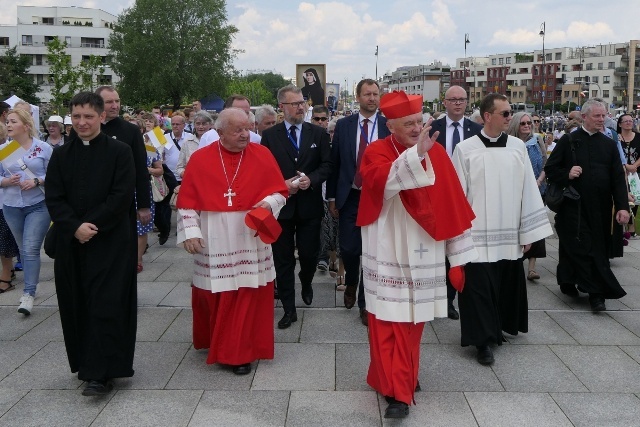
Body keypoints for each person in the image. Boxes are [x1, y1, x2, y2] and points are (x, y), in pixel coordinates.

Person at [356, 91, 478, 419]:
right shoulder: (376, 150)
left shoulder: (436, 152)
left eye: (418, 121)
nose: (416, 127)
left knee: (412, 323)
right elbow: (381, 182)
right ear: (390, 126)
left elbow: (451, 205)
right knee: (385, 320)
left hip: (423, 250)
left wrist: (458, 258)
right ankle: (397, 393)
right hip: (387, 246)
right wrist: (415, 156)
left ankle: (402, 378)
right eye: (407, 123)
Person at [176, 108, 288, 375]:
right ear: (220, 132)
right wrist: (191, 231)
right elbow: (187, 201)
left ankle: (239, 351)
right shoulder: (201, 158)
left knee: (248, 291)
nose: (244, 134)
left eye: (247, 128)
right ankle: (218, 341)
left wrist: (268, 203)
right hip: (215, 234)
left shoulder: (261, 154)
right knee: (219, 291)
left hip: (250, 235)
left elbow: (280, 192)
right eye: (237, 130)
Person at [45, 91, 136, 396]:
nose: (81, 123)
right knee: (76, 302)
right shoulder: (61, 154)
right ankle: (86, 364)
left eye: (88, 116)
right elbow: (54, 197)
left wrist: (90, 226)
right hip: (72, 243)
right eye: (76, 116)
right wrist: (74, 227)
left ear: (101, 117)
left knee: (105, 303)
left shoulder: (120, 151)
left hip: (110, 242)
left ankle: (102, 372)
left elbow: (121, 196)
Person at [452, 93, 553, 365]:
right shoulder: (465, 149)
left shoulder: (517, 148)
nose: (510, 117)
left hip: (509, 231)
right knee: (479, 287)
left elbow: (528, 191)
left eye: (510, 113)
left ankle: (498, 328)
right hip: (477, 233)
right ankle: (482, 341)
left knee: (503, 283)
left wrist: (528, 233)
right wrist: (457, 235)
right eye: (506, 113)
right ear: (488, 116)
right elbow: (457, 194)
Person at [544, 99, 630, 312]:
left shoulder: (609, 144)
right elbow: (551, 170)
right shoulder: (568, 141)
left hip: (600, 208)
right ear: (584, 117)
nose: (602, 120)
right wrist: (567, 174)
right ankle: (595, 294)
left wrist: (622, 207)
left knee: (596, 248)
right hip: (574, 207)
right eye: (597, 116)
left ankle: (584, 285)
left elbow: (618, 179)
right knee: (581, 247)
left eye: (604, 116)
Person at [260, 85, 332, 329]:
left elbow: (327, 165)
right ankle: (289, 309)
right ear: (283, 107)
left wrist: (310, 179)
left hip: (310, 206)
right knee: (282, 259)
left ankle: (307, 279)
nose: (301, 107)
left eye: (303, 103)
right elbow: (264, 170)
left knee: (309, 255)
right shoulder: (271, 136)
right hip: (282, 208)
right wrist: (281, 184)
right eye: (295, 104)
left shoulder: (318, 133)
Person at [326, 79, 390, 326]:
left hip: (378, 197)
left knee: (373, 253)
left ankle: (365, 303)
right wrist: (332, 197)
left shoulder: (388, 126)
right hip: (350, 195)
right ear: (358, 97)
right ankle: (351, 279)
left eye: (376, 94)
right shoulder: (344, 125)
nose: (372, 98)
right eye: (367, 94)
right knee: (351, 249)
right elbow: (335, 164)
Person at [429, 85, 483, 320]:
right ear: (445, 103)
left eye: (462, 99)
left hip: (467, 197)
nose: (458, 103)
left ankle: (456, 298)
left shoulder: (477, 130)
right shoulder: (433, 129)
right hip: (438, 195)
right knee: (440, 251)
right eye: (453, 99)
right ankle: (443, 298)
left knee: (462, 250)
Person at [0, 109, 53, 315]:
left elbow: (56, 173)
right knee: (23, 249)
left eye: (13, 121)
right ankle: (32, 282)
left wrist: (38, 180)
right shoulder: (4, 149)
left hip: (38, 204)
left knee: (30, 248)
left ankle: (28, 293)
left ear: (26, 125)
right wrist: (6, 181)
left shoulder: (43, 148)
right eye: (7, 121)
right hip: (12, 206)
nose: (9, 125)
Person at [96, 86, 151, 228]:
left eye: (117, 101)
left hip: (122, 202)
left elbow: (140, 168)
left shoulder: (131, 131)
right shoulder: (86, 128)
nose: (115, 106)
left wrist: (144, 205)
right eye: (109, 102)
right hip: (92, 202)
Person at [507, 112, 548, 281]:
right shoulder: (509, 143)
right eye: (523, 123)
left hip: (538, 189)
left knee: (535, 226)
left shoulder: (537, 141)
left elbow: (546, 164)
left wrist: (538, 180)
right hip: (516, 190)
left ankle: (532, 268)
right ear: (516, 125)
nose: (527, 126)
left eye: (529, 123)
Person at [0, 121, 19, 294]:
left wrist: (4, 181)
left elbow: (18, 174)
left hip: (5, 203)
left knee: (4, 243)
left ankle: (5, 277)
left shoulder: (8, 150)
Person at [618, 113, 639, 238]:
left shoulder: (638, 137)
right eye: (625, 121)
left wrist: (634, 166)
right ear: (620, 124)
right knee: (624, 195)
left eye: (630, 121)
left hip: (636, 172)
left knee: (635, 197)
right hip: (621, 171)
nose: (628, 123)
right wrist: (626, 166)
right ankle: (625, 223)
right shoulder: (616, 138)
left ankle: (632, 226)